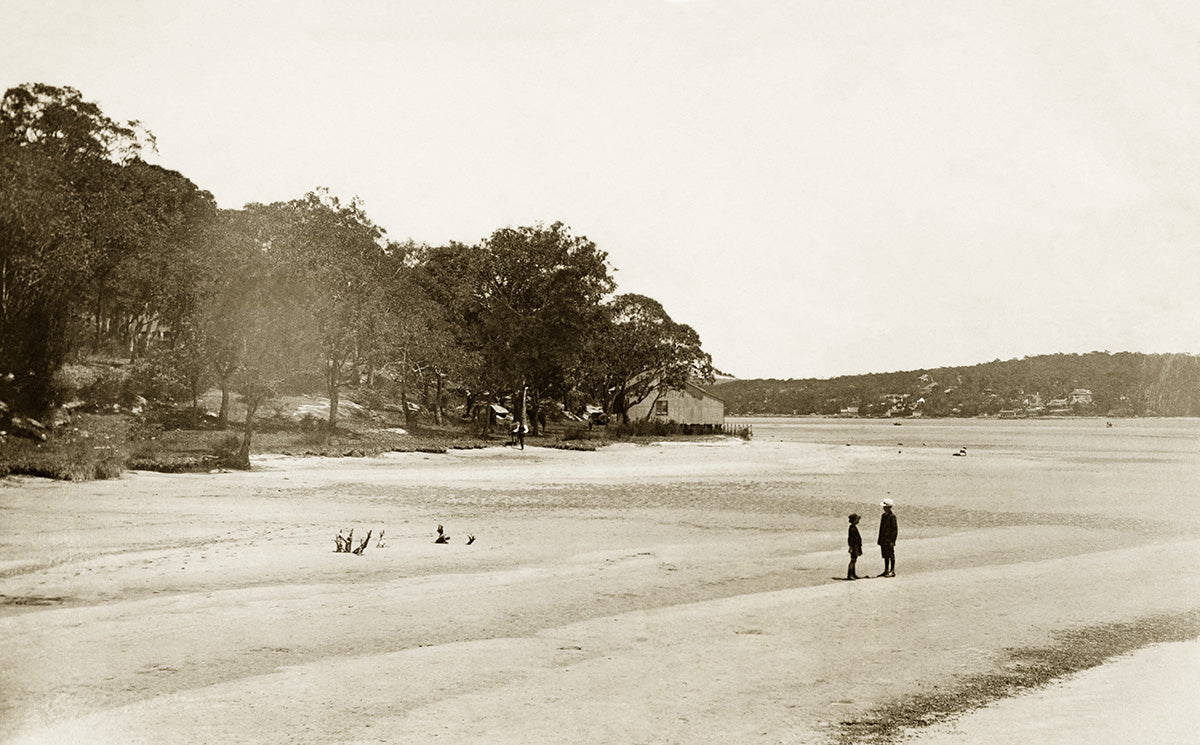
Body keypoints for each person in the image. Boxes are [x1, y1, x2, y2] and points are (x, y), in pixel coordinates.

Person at [877, 498, 898, 577]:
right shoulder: (883, 516)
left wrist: (892, 540)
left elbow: (894, 530)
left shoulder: (892, 517)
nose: (884, 508)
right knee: (885, 555)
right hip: (883, 539)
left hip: (889, 540)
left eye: (885, 507)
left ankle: (892, 570)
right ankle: (886, 570)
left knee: (891, 555)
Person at [846, 513, 863, 579]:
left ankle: (853, 573)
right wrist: (851, 547)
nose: (858, 521)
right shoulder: (852, 528)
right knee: (853, 560)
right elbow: (851, 539)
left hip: (856, 546)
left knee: (854, 559)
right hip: (854, 546)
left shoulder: (853, 527)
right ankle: (850, 574)